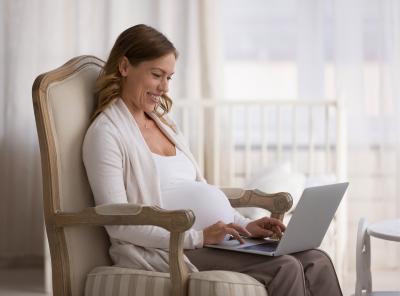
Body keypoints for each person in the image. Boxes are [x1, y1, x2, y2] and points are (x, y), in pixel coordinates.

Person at [82, 24, 342, 296]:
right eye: (156, 75)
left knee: (316, 259)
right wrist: (200, 237)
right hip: (171, 250)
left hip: (216, 241)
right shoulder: (106, 134)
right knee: (285, 266)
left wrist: (245, 226)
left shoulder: (163, 123)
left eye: (169, 77)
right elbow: (119, 221)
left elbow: (199, 189)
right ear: (125, 67)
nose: (164, 88)